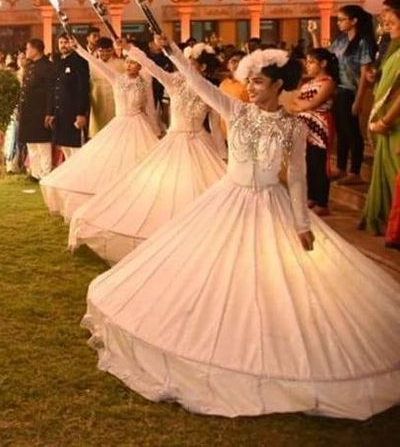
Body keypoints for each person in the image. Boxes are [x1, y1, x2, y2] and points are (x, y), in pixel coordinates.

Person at [84, 42, 400, 420]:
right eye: (249, 81)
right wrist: (171, 54)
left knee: (269, 278)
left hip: (269, 201)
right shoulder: (236, 110)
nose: (251, 88)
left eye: (260, 82)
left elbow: (298, 177)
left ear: (279, 84)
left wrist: (302, 223)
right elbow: (197, 85)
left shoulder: (292, 127)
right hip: (227, 197)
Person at [69, 41, 225, 264]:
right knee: (165, 190)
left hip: (200, 142)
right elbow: (151, 66)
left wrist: (221, 153)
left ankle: (194, 233)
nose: (186, 67)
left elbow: (216, 126)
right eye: (185, 64)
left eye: (192, 65)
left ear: (203, 68)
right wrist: (130, 49)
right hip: (175, 141)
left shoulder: (210, 91)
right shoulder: (174, 83)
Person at [40, 38, 160, 218]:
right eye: (127, 62)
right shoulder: (117, 79)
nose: (128, 66)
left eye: (133, 63)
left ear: (140, 66)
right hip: (119, 123)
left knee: (140, 161)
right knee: (112, 159)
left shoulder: (144, 84)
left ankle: (137, 194)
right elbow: (96, 63)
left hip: (139, 125)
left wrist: (155, 128)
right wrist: (79, 48)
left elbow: (149, 106)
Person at [310, 8, 376, 185]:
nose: (338, 22)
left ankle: (355, 171)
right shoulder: (340, 40)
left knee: (352, 131)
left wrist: (359, 99)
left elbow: (364, 72)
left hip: (350, 90)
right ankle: (340, 167)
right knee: (341, 130)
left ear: (354, 21)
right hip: (337, 89)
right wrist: (314, 34)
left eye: (341, 19)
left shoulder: (363, 42)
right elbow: (324, 55)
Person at [361, 0, 400, 234]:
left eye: (389, 15)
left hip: (394, 123)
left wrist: (385, 121)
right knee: (386, 172)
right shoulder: (392, 49)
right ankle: (389, 222)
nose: (384, 19)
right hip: (388, 122)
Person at [286, 48, 338, 215]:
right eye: (307, 62)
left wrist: (301, 104)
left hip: (320, 125)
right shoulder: (307, 84)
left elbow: (310, 104)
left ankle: (322, 202)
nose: (307, 65)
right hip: (304, 125)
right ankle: (311, 196)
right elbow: (294, 103)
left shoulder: (328, 82)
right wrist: (301, 104)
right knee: (307, 162)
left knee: (319, 163)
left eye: (311, 62)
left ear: (323, 63)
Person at [16, 39, 55, 179]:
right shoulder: (30, 66)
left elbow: (51, 91)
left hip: (40, 111)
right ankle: (35, 173)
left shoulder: (47, 66)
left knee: (43, 144)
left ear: (35, 49)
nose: (26, 51)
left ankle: (46, 174)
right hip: (28, 111)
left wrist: (49, 112)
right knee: (31, 144)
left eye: (28, 48)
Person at [50, 33, 90, 162]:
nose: (63, 45)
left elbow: (83, 88)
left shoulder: (80, 61)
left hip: (73, 111)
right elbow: (54, 87)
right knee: (64, 146)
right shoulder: (57, 61)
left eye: (66, 42)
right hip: (59, 111)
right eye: (61, 42)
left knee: (75, 147)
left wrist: (81, 113)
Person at [88, 36, 126, 137]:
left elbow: (133, 81)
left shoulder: (122, 64)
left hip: (116, 105)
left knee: (116, 135)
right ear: (97, 51)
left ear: (113, 50)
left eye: (108, 50)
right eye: (101, 51)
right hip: (97, 104)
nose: (104, 53)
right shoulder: (91, 64)